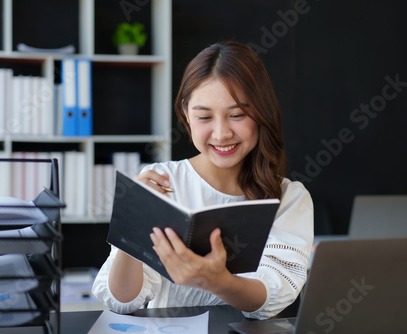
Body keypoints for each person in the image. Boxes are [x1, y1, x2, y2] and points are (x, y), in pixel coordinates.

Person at [92, 40, 313, 320]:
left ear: (261, 114)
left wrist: (217, 281)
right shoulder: (160, 181)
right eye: (204, 116)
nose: (221, 134)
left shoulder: (290, 197)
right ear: (186, 115)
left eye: (237, 115)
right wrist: (132, 223)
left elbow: (275, 297)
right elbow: (122, 301)